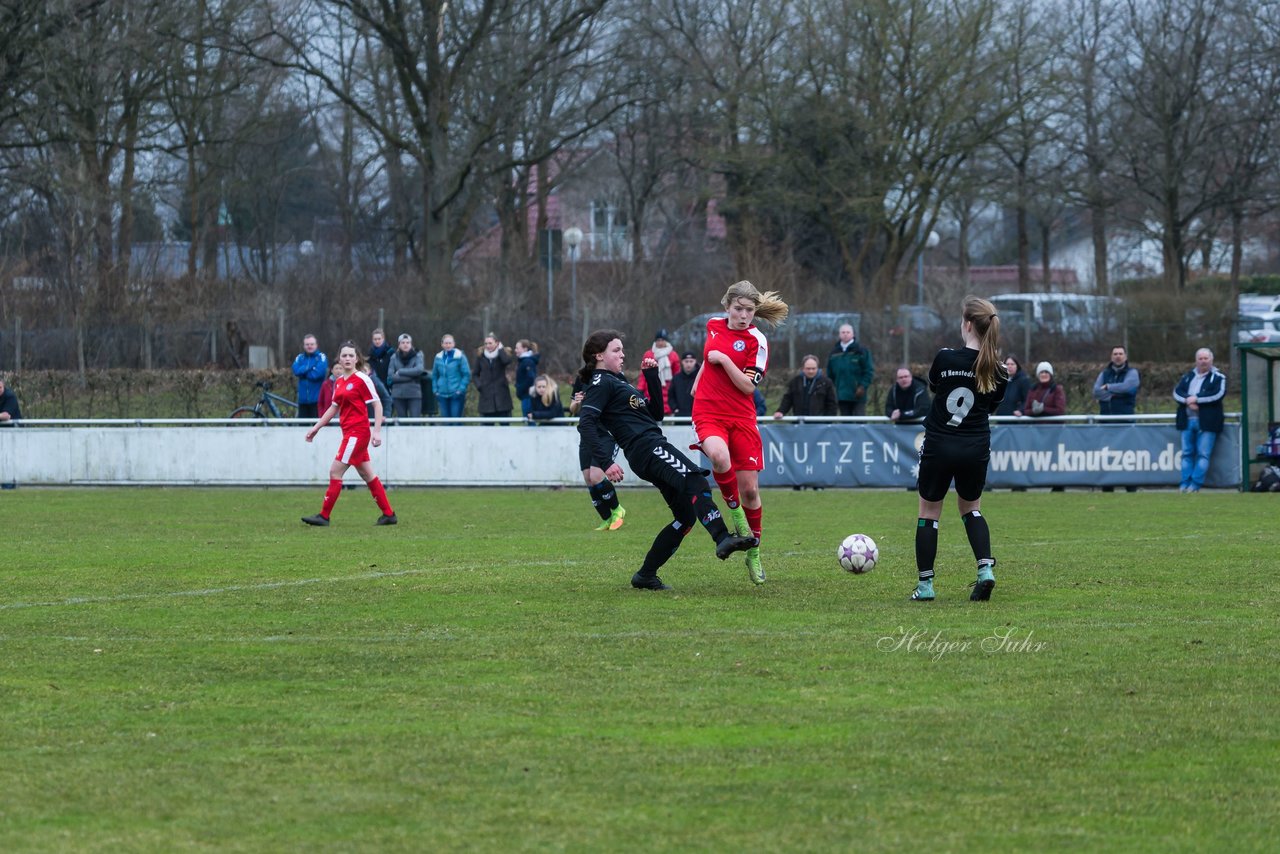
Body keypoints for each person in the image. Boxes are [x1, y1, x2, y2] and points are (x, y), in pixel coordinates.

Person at [577, 329, 757, 590]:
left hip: (649, 447)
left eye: (622, 349)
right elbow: (586, 423)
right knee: (695, 479)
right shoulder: (600, 382)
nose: (622, 354)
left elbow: (656, 414)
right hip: (646, 448)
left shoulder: (619, 382)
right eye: (616, 350)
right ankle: (721, 537)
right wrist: (606, 462)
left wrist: (651, 377)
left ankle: (646, 575)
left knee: (685, 517)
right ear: (599, 356)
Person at [692, 279, 790, 585]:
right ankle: (738, 524)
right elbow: (709, 357)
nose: (744, 315)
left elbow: (748, 385)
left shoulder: (756, 341)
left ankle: (754, 552)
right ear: (727, 306)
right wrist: (699, 381)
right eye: (738, 309)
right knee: (719, 458)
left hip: (742, 417)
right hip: (709, 411)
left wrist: (722, 361)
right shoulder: (712, 325)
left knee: (750, 491)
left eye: (749, 310)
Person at [910, 296, 1008, 603]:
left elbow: (936, 388)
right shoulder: (1000, 371)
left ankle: (926, 586)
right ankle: (985, 570)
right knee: (971, 509)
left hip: (940, 444)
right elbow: (989, 406)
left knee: (928, 513)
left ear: (966, 324)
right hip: (975, 446)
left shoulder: (945, 358)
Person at [301, 341, 397, 527]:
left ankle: (324, 516)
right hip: (348, 433)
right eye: (344, 355)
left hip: (358, 433)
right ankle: (389, 515)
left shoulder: (362, 379)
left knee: (335, 471)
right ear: (339, 358)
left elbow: (377, 404)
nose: (347, 359)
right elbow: (333, 407)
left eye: (351, 356)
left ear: (357, 359)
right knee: (367, 474)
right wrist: (316, 427)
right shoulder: (338, 382)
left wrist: (376, 432)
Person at [570, 374, 627, 530]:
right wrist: (577, 402)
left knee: (596, 476)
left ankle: (617, 509)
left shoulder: (616, 376)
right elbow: (572, 408)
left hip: (607, 435)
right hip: (588, 434)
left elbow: (624, 405)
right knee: (589, 479)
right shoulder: (582, 376)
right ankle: (607, 519)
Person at [1174, 347, 1227, 493]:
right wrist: (1187, 401)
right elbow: (1177, 392)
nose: (1203, 361)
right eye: (1200, 358)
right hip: (1187, 421)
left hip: (1207, 423)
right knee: (1186, 454)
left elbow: (1217, 395)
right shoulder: (1187, 376)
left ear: (1211, 360)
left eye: (1206, 358)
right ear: (1196, 360)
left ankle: (1195, 485)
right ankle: (1184, 484)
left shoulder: (1218, 377)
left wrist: (1197, 399)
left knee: (1203, 454)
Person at [827, 323, 874, 416]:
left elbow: (868, 371)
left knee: (859, 424)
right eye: (843, 332)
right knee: (846, 425)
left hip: (858, 395)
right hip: (841, 396)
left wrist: (862, 386)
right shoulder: (834, 353)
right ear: (839, 335)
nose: (845, 334)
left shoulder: (861, 351)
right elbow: (830, 373)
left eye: (848, 332)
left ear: (853, 334)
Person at [636, 328, 681, 415]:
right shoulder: (648, 354)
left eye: (662, 340)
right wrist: (640, 389)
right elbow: (643, 374)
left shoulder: (673, 355)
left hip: (668, 390)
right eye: (658, 340)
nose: (660, 343)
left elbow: (677, 374)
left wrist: (677, 390)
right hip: (651, 389)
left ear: (666, 341)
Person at [473, 333, 514, 419]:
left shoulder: (503, 354)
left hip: (502, 397)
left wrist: (500, 350)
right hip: (486, 398)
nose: (487, 345)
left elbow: (506, 361)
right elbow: (475, 374)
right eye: (486, 343)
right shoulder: (481, 356)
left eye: (490, 343)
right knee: (486, 429)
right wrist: (479, 386)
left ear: (497, 343)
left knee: (505, 428)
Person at [1093, 345, 1140, 415]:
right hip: (1105, 420)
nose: (1118, 356)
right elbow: (1096, 392)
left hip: (1126, 421)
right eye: (1115, 354)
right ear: (1111, 357)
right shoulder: (1104, 374)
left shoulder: (1132, 373)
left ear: (1125, 357)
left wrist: (1108, 387)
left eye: (1120, 354)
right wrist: (1117, 394)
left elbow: (1126, 387)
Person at [387, 333, 426, 418]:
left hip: (414, 393)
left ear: (411, 344)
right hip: (398, 394)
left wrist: (400, 371)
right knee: (402, 422)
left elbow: (419, 370)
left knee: (415, 421)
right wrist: (412, 377)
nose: (405, 344)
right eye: (403, 342)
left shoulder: (417, 355)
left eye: (407, 342)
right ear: (399, 345)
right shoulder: (394, 357)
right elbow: (391, 376)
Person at [432, 334, 471, 418]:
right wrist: (435, 390)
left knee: (456, 421)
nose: (448, 345)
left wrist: (460, 390)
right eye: (446, 343)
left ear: (453, 344)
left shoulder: (460, 357)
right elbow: (434, 375)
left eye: (450, 343)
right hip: (442, 394)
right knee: (446, 422)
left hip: (456, 394)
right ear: (442, 344)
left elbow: (466, 374)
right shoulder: (438, 357)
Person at [291, 334, 328, 419]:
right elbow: (296, 371)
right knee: (302, 429)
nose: (309, 346)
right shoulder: (299, 357)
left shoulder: (321, 357)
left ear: (316, 345)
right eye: (307, 344)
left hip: (317, 400)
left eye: (312, 344)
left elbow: (317, 374)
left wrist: (303, 372)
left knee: (317, 428)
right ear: (304, 346)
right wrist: (309, 367)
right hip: (302, 401)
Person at [514, 339, 541, 419]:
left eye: (517, 348)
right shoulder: (523, 361)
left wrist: (520, 388)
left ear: (525, 349)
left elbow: (531, 378)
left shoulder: (527, 362)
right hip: (525, 395)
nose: (515, 350)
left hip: (528, 396)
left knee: (529, 420)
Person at [668, 351, 698, 417]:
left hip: (696, 416)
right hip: (679, 415)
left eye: (691, 361)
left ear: (695, 361)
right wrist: (674, 408)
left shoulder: (700, 378)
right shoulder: (676, 378)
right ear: (682, 362)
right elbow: (671, 396)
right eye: (686, 361)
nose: (688, 364)